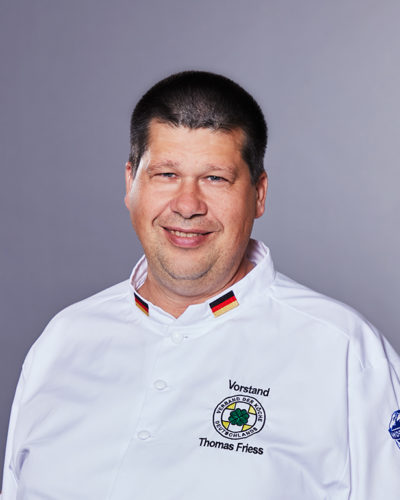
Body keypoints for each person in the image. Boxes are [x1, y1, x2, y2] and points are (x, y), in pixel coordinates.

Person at [1, 71, 399, 500]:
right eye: (166, 174)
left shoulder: (344, 352)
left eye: (215, 178)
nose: (188, 205)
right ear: (131, 184)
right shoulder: (62, 342)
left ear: (259, 194)